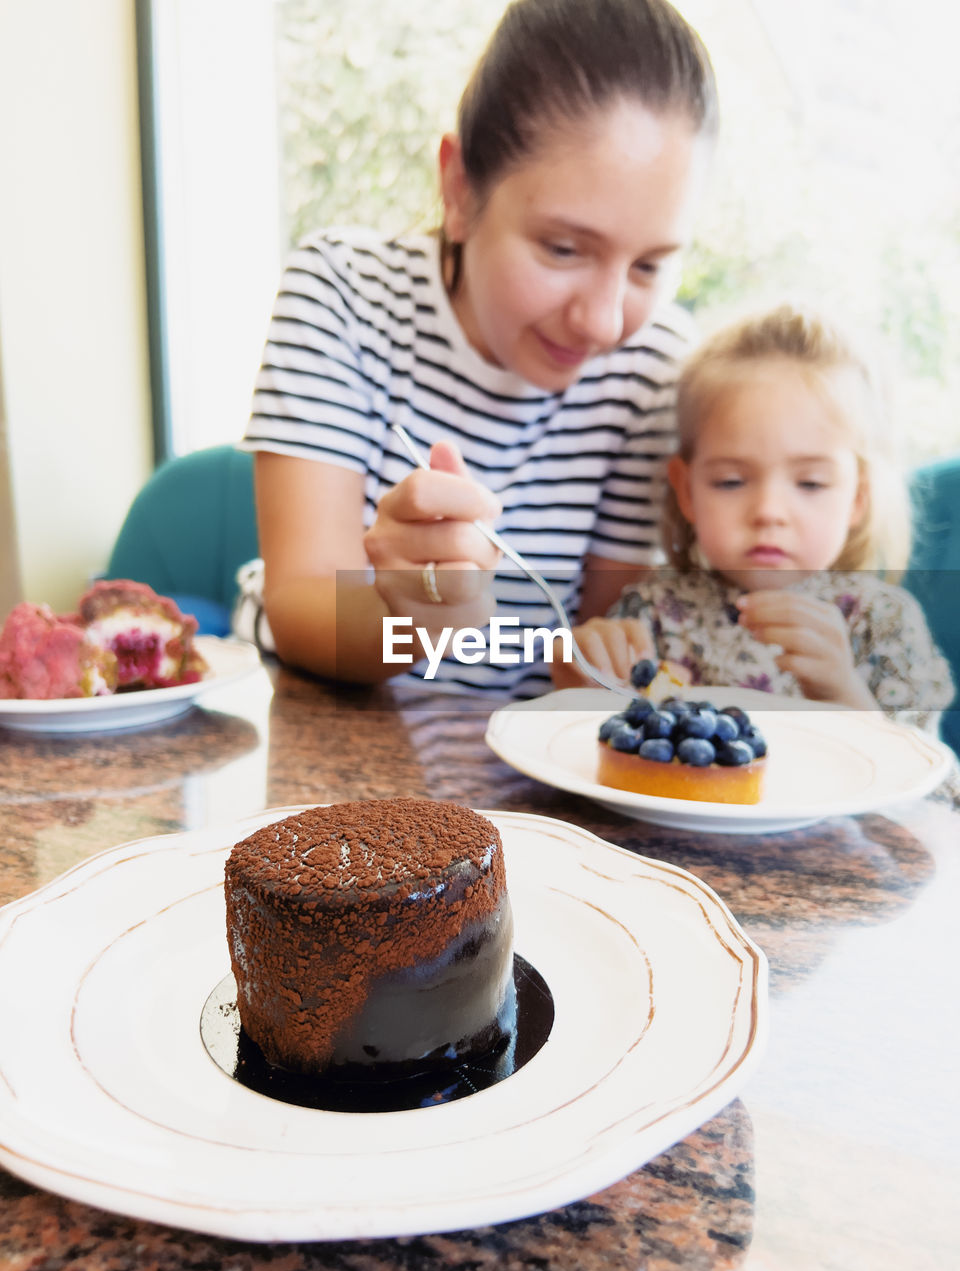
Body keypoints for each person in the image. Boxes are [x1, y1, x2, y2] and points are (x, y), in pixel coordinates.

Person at [236, 0, 717, 694]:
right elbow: (302, 604)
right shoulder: (344, 294)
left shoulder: (652, 365)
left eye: (649, 266)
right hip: (328, 715)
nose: (604, 323)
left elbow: (600, 644)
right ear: (459, 189)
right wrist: (414, 621)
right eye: (563, 249)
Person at [558, 303, 954, 734]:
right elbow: (593, 743)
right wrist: (583, 683)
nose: (768, 512)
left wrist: (843, 694)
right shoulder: (652, 614)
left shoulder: (884, 624)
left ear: (858, 497)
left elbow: (931, 787)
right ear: (686, 491)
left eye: (811, 484)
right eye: (730, 481)